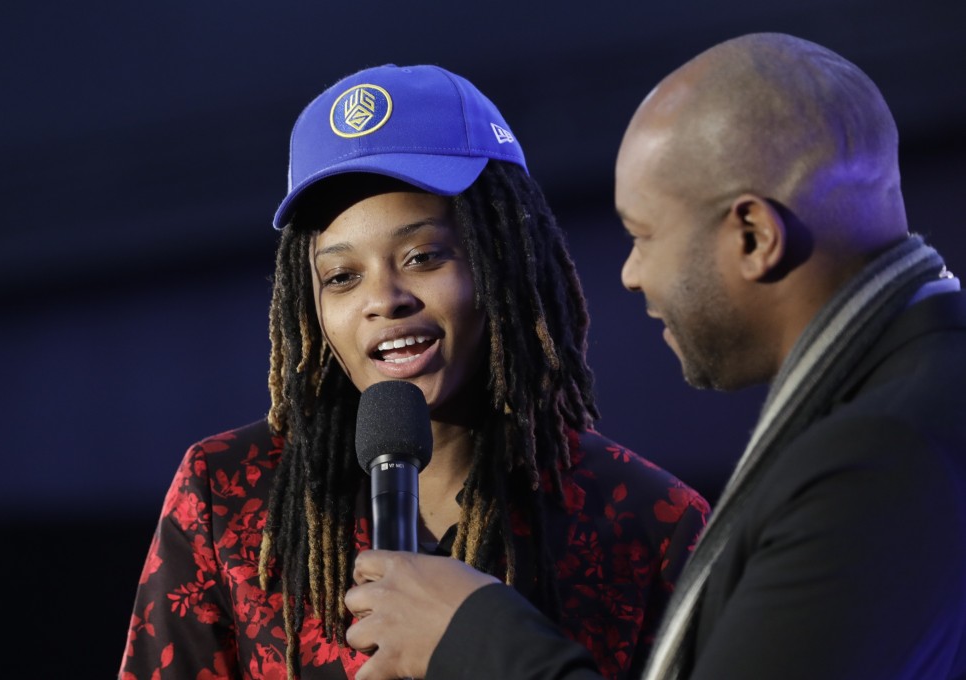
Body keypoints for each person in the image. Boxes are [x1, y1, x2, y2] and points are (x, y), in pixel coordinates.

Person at [342, 33, 966, 680]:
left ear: (753, 235)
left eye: (643, 235)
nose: (631, 274)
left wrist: (472, 633)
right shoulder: (915, 391)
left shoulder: (880, 454)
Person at [118, 63, 709, 680]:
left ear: (502, 259)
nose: (384, 298)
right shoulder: (227, 494)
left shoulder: (650, 524)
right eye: (342, 276)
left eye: (423, 256)